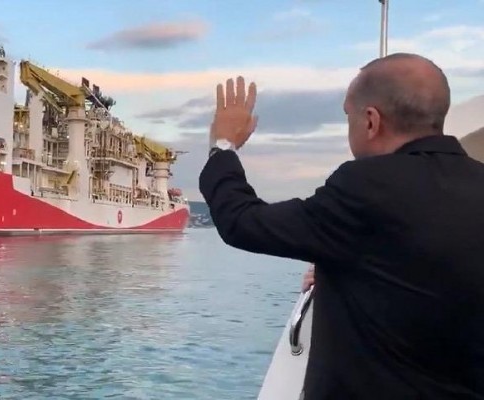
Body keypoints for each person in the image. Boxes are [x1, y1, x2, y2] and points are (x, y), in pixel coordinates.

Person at [199, 52, 484, 399]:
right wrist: (347, 273)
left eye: (348, 115)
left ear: (371, 121)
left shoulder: (366, 186)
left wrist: (223, 146)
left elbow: (242, 222)